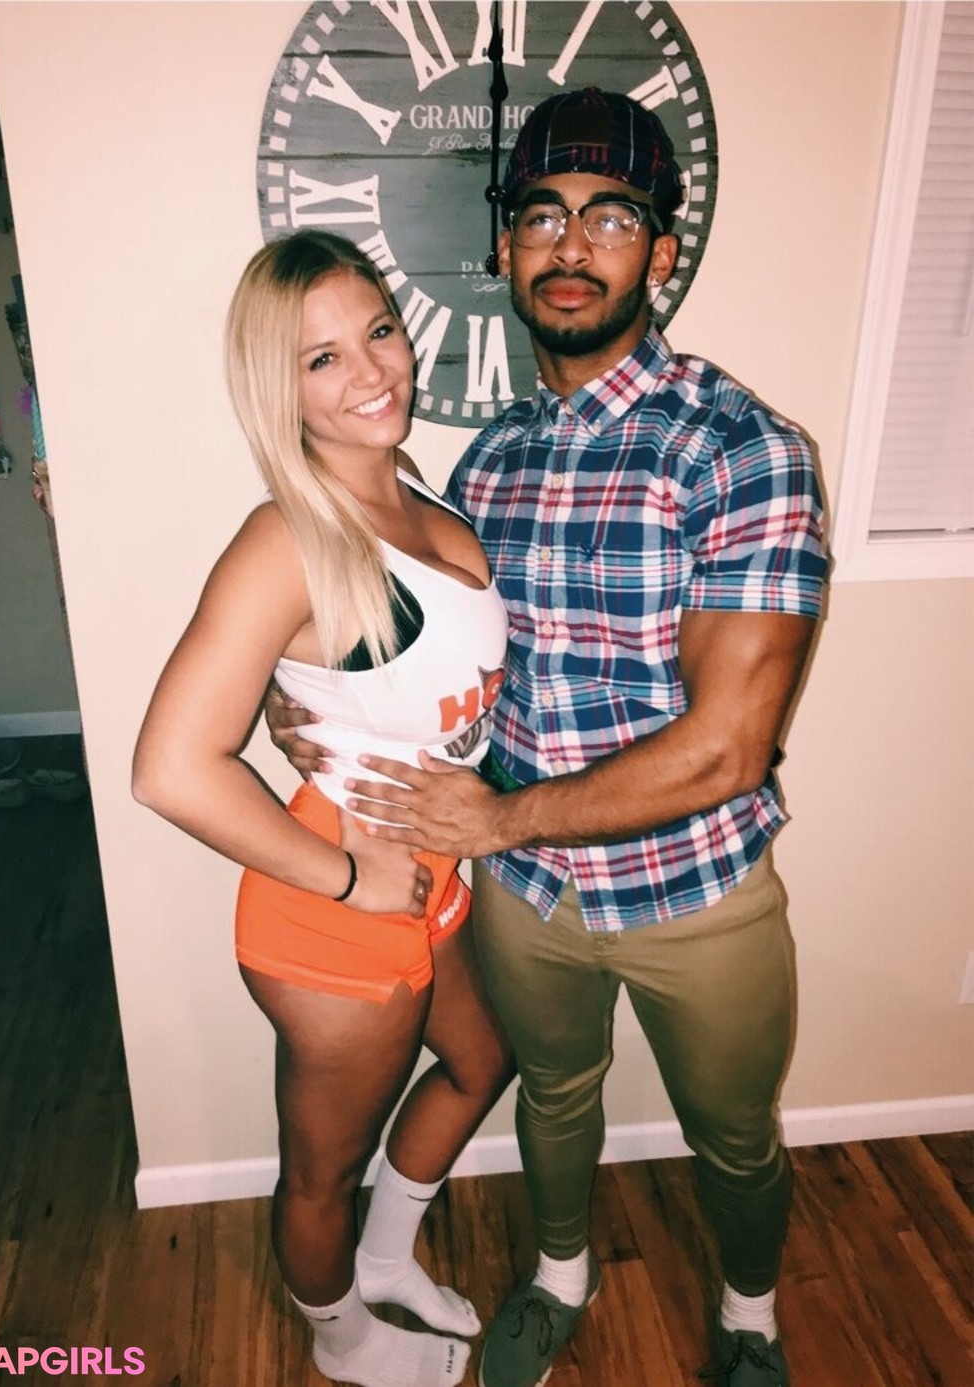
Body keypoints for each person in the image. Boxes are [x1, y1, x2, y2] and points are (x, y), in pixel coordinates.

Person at [267, 91, 829, 1387]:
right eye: (542, 216)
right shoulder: (484, 468)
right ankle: (559, 1275)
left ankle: (750, 1317)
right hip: (525, 896)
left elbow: (729, 747)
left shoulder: (742, 448)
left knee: (735, 1135)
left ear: (661, 251)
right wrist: (324, 722)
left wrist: (501, 818)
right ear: (507, 249)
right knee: (556, 1094)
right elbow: (437, 668)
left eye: (611, 218)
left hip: (698, 889)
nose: (572, 245)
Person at [133, 230, 514, 1387]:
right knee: (320, 1172)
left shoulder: (413, 486)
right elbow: (171, 766)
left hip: (429, 882)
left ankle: (383, 1262)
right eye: (322, 359)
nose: (371, 372)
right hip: (333, 912)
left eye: (378, 331)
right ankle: (340, 1338)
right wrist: (349, 877)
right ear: (279, 389)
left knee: (481, 1062)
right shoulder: (286, 540)